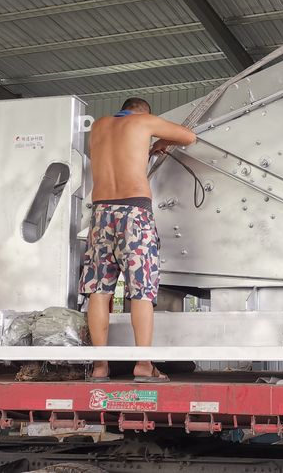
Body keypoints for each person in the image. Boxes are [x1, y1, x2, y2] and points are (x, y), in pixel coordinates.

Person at [80, 97, 196, 382]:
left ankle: (99, 366)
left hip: (101, 213)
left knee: (99, 291)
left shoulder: (99, 126)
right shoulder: (144, 122)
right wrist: (159, 142)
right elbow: (188, 137)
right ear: (144, 112)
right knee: (141, 290)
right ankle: (143, 365)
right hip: (135, 212)